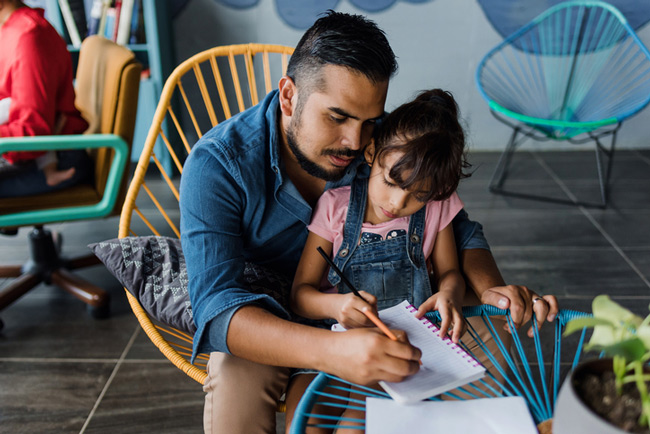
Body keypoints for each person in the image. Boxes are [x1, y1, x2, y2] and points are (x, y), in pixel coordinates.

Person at [179, 11, 559, 434]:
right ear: (289, 96)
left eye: (368, 123)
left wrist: (491, 291)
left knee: (489, 347)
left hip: (389, 312)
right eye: (337, 117)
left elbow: (459, 227)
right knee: (237, 397)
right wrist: (334, 351)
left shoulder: (382, 148)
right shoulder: (218, 164)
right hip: (269, 313)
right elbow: (216, 310)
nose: (355, 142)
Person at [285, 89, 471, 430]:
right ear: (372, 152)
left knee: (357, 426)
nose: (399, 203)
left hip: (402, 353)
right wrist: (337, 307)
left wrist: (450, 294)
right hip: (332, 341)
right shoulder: (336, 208)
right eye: (391, 181)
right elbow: (300, 295)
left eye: (419, 195)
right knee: (305, 420)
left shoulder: (437, 207)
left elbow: (451, 274)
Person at [0, 0, 92, 198]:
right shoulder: (9, 30)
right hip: (23, 151)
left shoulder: (28, 36)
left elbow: (34, 133)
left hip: (54, 159)